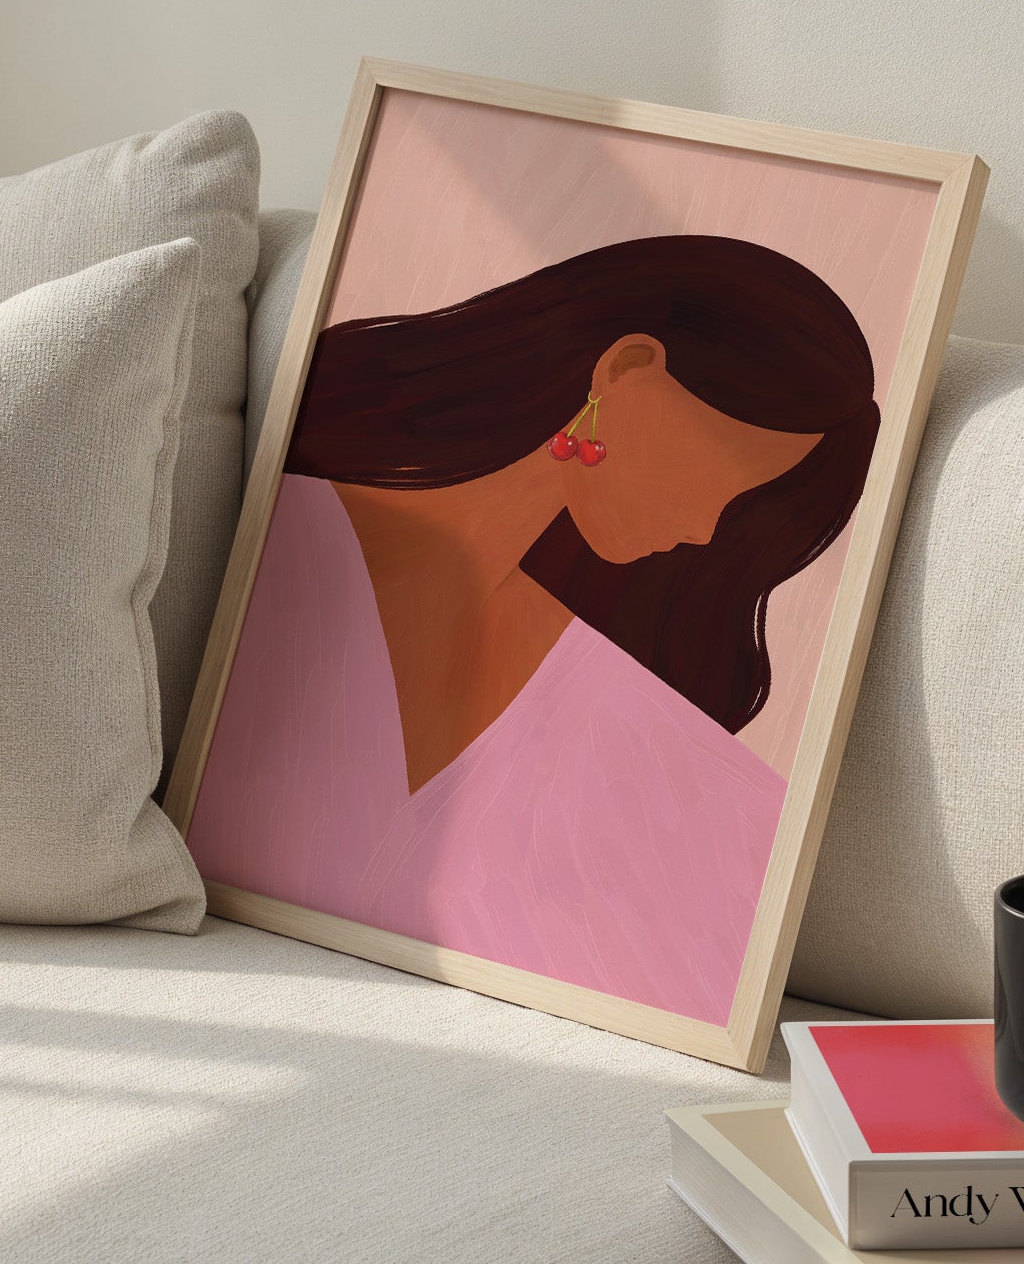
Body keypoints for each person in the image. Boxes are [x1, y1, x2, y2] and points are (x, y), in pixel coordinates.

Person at [186, 234, 879, 1024]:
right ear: (624, 370)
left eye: (740, 502)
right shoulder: (285, 542)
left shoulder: (655, 743)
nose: (703, 527)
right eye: (714, 470)